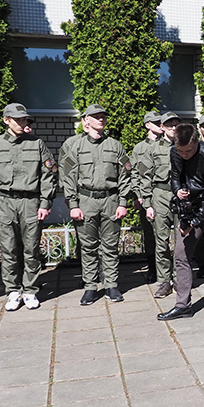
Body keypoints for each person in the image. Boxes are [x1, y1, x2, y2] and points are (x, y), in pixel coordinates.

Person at [157, 122, 204, 323]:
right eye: (181, 151)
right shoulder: (175, 152)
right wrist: (177, 190)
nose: (184, 154)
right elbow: (175, 177)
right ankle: (183, 305)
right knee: (181, 254)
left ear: (197, 141)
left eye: (189, 150)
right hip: (192, 204)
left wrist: (195, 221)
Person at [0, 103, 57, 311]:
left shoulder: (36, 144)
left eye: (24, 119)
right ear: (6, 120)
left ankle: (30, 290)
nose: (23, 122)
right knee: (9, 248)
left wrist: (45, 203)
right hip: (5, 202)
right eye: (18, 119)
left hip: (31, 202)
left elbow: (48, 175)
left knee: (31, 248)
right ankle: (13, 291)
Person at [59, 104, 132, 305]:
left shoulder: (115, 146)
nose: (101, 119)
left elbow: (125, 176)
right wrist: (73, 204)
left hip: (110, 200)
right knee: (88, 246)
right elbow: (68, 176)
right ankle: (90, 287)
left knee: (110, 245)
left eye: (103, 116)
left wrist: (123, 202)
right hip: (85, 200)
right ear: (85, 121)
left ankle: (111, 285)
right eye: (96, 116)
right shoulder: (74, 145)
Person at [137, 112, 180, 298]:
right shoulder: (152, 149)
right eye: (169, 124)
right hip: (160, 195)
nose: (172, 127)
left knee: (182, 241)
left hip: (181, 196)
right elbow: (144, 177)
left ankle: (180, 279)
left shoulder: (186, 146)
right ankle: (164, 280)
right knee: (161, 241)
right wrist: (148, 203)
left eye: (175, 124)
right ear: (162, 127)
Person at [131, 111, 162, 284]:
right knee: (150, 235)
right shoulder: (139, 148)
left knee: (166, 235)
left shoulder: (170, 145)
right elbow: (134, 173)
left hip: (165, 196)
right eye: (156, 122)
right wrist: (138, 195)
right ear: (147, 125)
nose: (160, 125)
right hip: (147, 198)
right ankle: (152, 268)